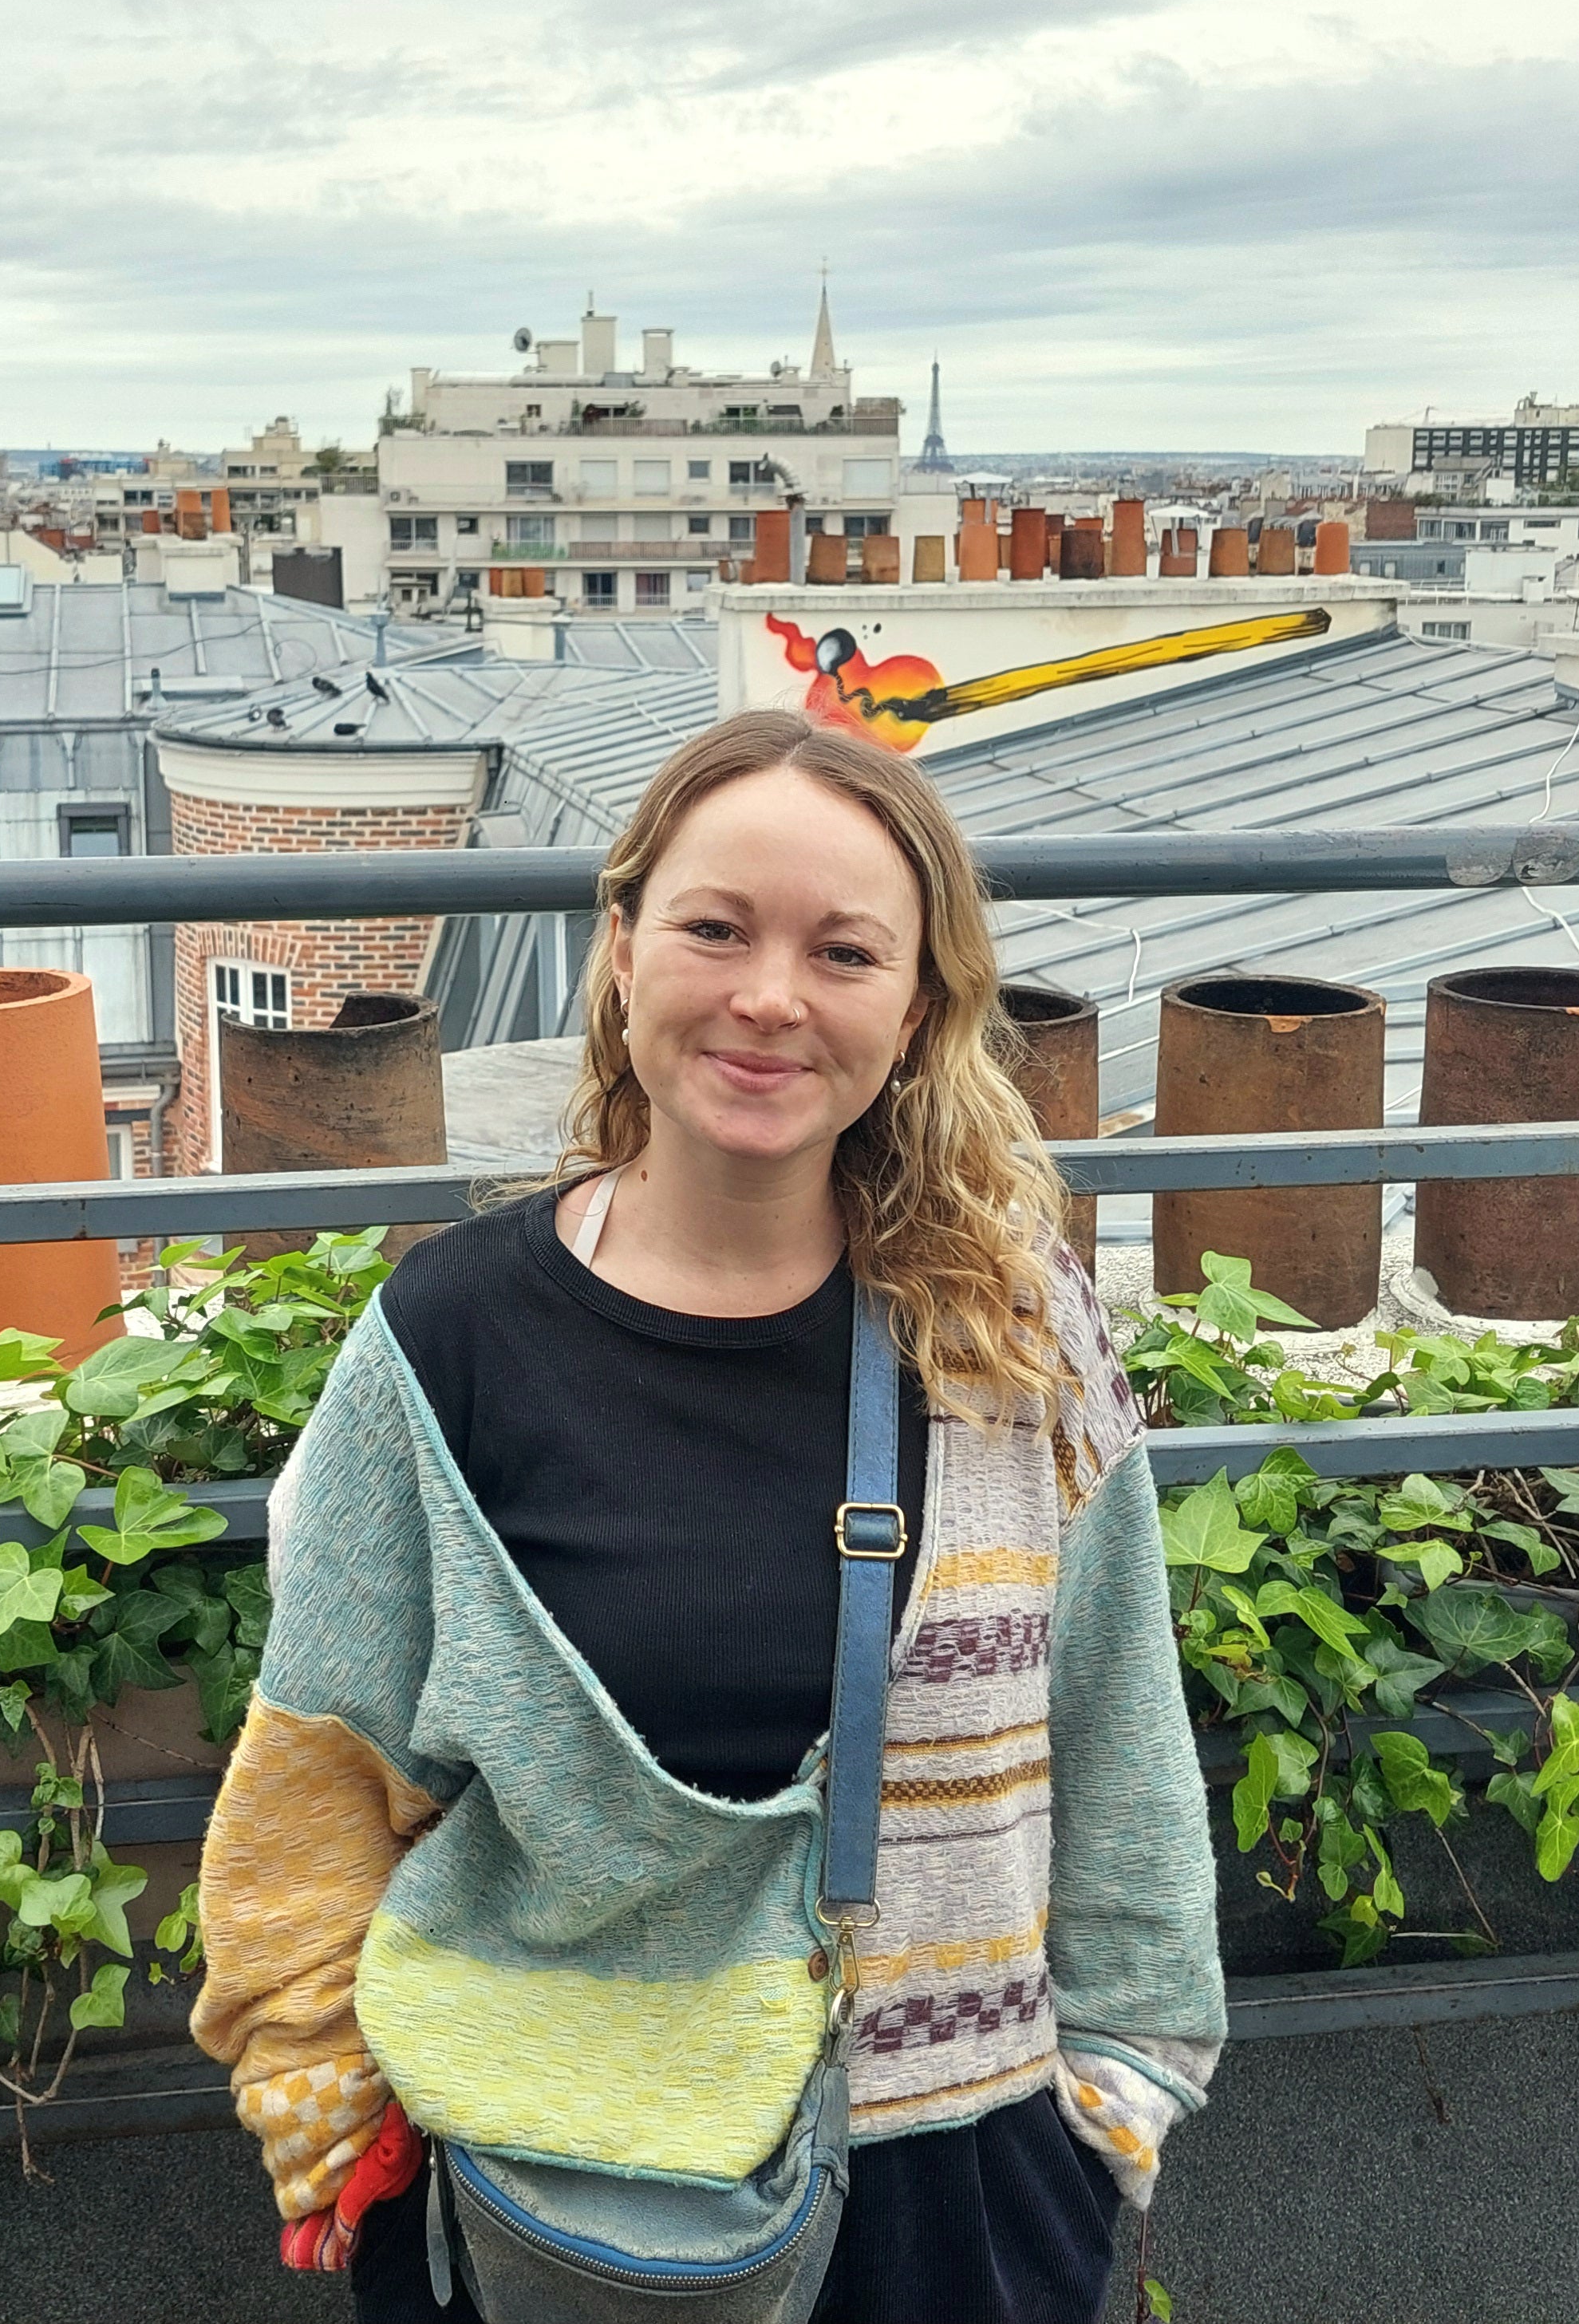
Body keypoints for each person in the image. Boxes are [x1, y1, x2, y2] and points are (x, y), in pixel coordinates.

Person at [191, 708, 1224, 2322]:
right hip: (556, 2194)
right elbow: (309, 1800)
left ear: (918, 1003)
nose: (767, 997)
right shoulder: (448, 1343)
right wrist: (334, 2144)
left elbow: (1118, 1733)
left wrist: (1104, 2107)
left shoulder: (1011, 1337)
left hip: (956, 2194)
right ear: (617, 948)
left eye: (842, 951)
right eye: (714, 928)